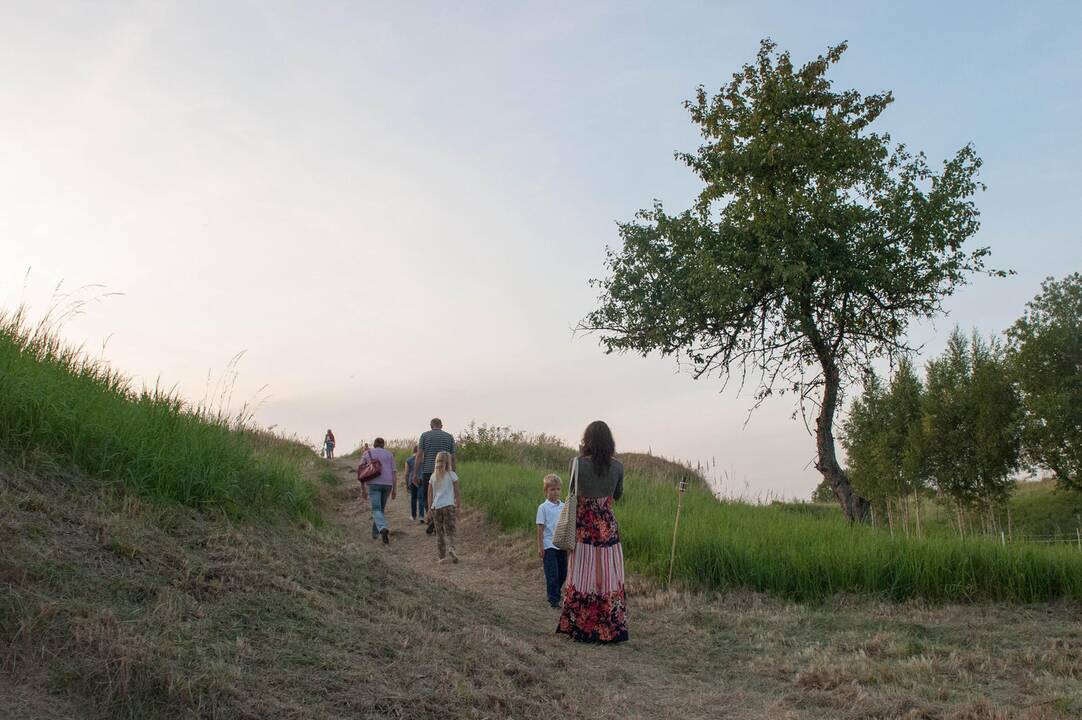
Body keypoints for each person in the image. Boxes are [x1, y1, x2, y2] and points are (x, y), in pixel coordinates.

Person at [556, 420, 628, 644]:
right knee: (608, 575)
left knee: (582, 573)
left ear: (586, 440)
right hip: (607, 527)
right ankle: (608, 626)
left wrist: (580, 457)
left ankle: (581, 624)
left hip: (583, 526)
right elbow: (617, 495)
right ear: (610, 442)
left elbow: (571, 491)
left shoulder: (576, 463)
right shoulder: (617, 466)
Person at [414, 418, 455, 535]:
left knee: (429, 497)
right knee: (443, 497)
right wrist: (453, 472)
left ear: (431, 425)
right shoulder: (449, 437)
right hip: (446, 472)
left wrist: (415, 474)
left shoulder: (425, 436)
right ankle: (436, 522)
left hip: (428, 471)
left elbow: (419, 455)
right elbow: (453, 457)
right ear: (441, 425)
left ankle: (433, 520)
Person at [536, 473, 567, 609]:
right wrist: (540, 547)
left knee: (563, 572)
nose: (555, 492)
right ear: (546, 491)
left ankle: (556, 592)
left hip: (562, 545)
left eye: (558, 489)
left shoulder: (564, 506)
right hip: (549, 545)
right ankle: (553, 599)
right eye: (552, 489)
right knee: (552, 573)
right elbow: (540, 528)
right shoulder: (543, 508)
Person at [359, 437, 397, 544]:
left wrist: (363, 489)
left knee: (376, 509)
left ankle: (382, 528)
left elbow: (361, 471)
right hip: (387, 484)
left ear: (374, 444)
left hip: (374, 483)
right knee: (380, 510)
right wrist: (395, 489)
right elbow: (394, 473)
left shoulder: (367, 453)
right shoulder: (389, 454)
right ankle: (375, 535)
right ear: (383, 445)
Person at [426, 450, 460, 563]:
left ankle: (442, 557)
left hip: (436, 507)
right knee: (451, 530)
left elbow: (429, 493)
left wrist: (430, 508)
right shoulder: (452, 475)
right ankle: (451, 548)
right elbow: (457, 493)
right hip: (449, 506)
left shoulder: (433, 476)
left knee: (439, 532)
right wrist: (458, 506)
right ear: (449, 461)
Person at [404, 446, 424, 523]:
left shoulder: (408, 460)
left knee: (413, 498)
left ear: (413, 451)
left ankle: (413, 516)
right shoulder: (423, 460)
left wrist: (406, 484)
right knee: (421, 498)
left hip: (412, 481)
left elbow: (406, 474)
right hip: (421, 479)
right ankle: (421, 516)